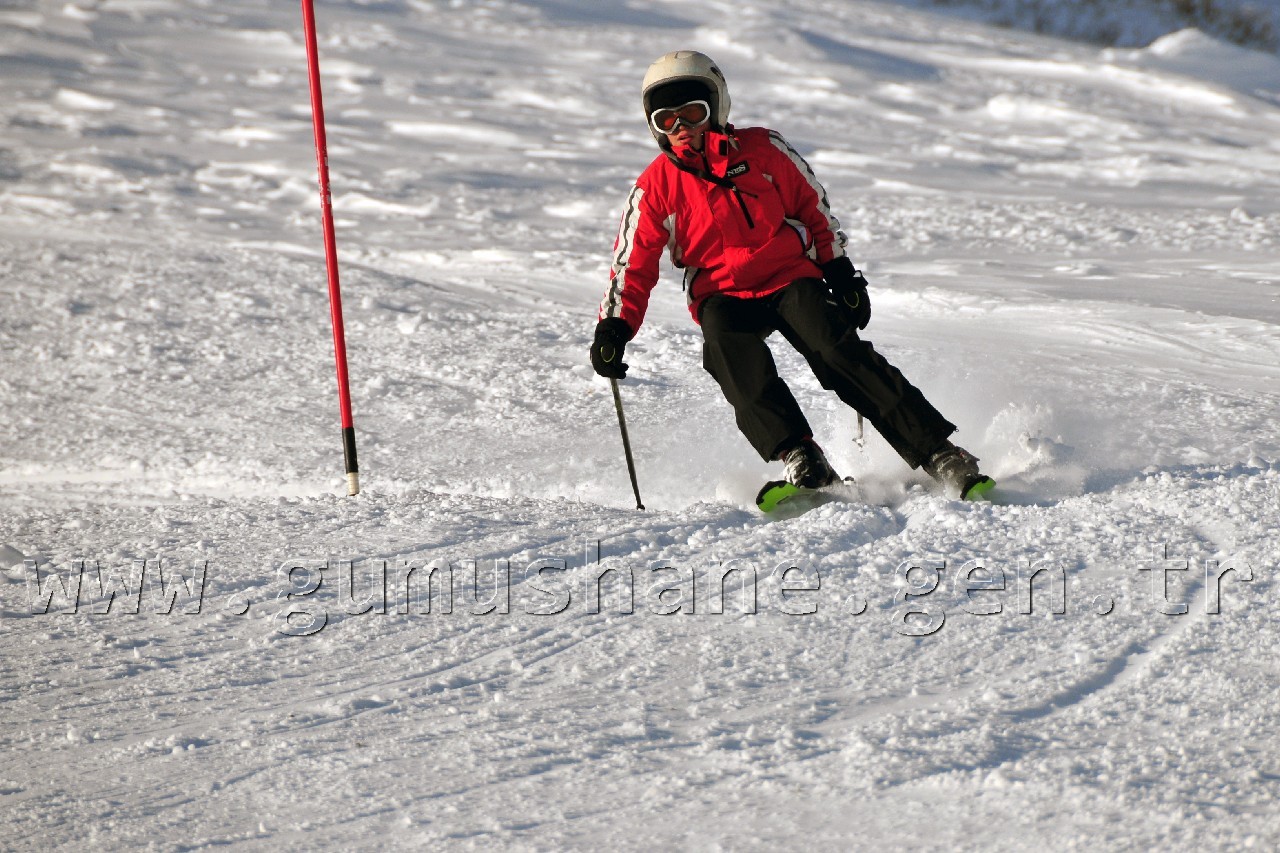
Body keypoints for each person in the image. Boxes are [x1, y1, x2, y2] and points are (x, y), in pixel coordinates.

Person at [590, 50, 992, 501]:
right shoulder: (656, 186)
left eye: (693, 113)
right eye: (668, 120)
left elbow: (814, 210)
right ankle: (801, 455)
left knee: (836, 349)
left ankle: (939, 452)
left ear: (717, 107)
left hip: (790, 276)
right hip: (720, 290)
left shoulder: (764, 149)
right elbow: (632, 263)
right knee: (728, 350)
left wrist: (839, 272)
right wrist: (616, 325)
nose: (682, 127)